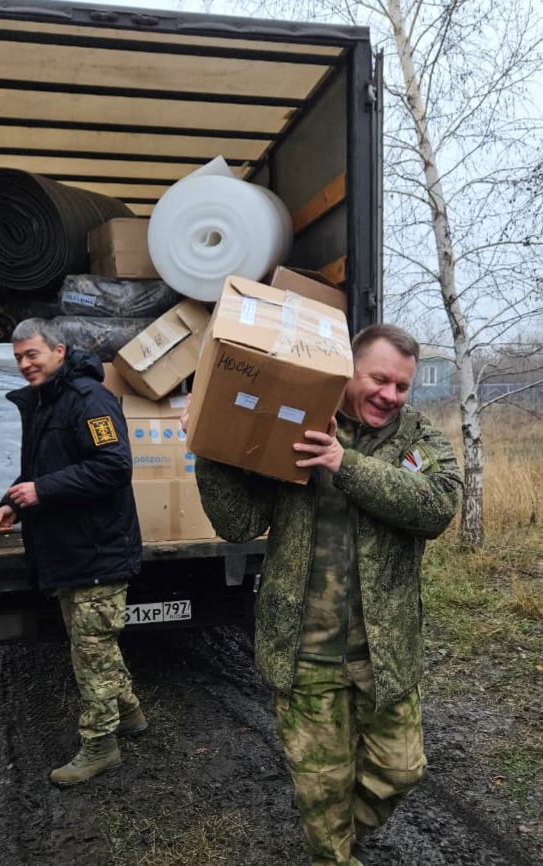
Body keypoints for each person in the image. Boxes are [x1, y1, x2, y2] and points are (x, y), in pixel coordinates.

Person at [183, 323, 463, 866]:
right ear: (348, 371)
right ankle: (330, 851)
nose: (390, 395)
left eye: (402, 386)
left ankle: (340, 834)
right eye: (379, 379)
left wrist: (343, 463)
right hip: (304, 653)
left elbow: (437, 506)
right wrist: (210, 446)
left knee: (401, 770)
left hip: (385, 652)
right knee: (322, 788)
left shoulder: (416, 438)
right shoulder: (297, 425)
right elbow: (238, 523)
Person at [0, 318, 147, 788]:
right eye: (18, 357)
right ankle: (129, 712)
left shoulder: (89, 400)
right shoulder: (46, 402)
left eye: (32, 354)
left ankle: (101, 745)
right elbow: (40, 469)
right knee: (93, 647)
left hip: (97, 550)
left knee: (90, 653)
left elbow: (114, 466)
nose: (25, 364)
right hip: (69, 550)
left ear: (59, 351)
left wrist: (41, 491)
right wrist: (14, 503)